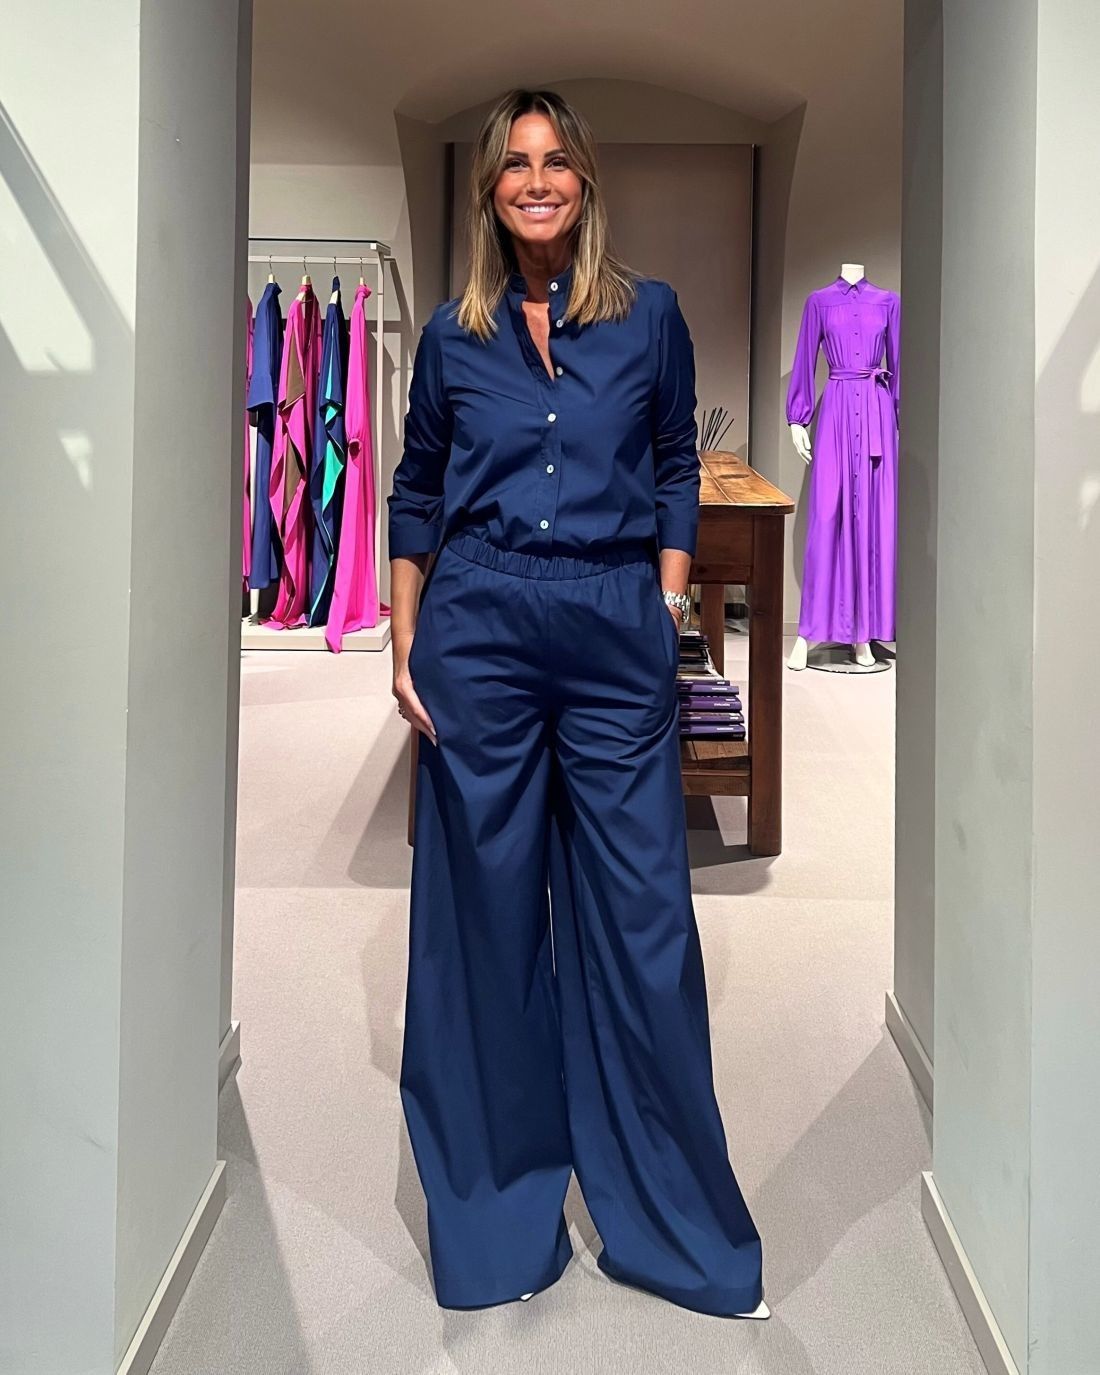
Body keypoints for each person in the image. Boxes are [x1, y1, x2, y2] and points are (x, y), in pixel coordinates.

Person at [387, 87, 766, 1320]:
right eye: (514, 164)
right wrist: (402, 637)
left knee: (644, 921)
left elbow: (672, 460)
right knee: (484, 925)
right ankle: (498, 1220)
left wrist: (665, 601)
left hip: (611, 625)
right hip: (481, 628)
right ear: (489, 190)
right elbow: (415, 488)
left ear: (583, 181)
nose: (536, 180)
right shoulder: (452, 336)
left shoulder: (648, 316)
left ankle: (672, 1227)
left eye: (555, 161)